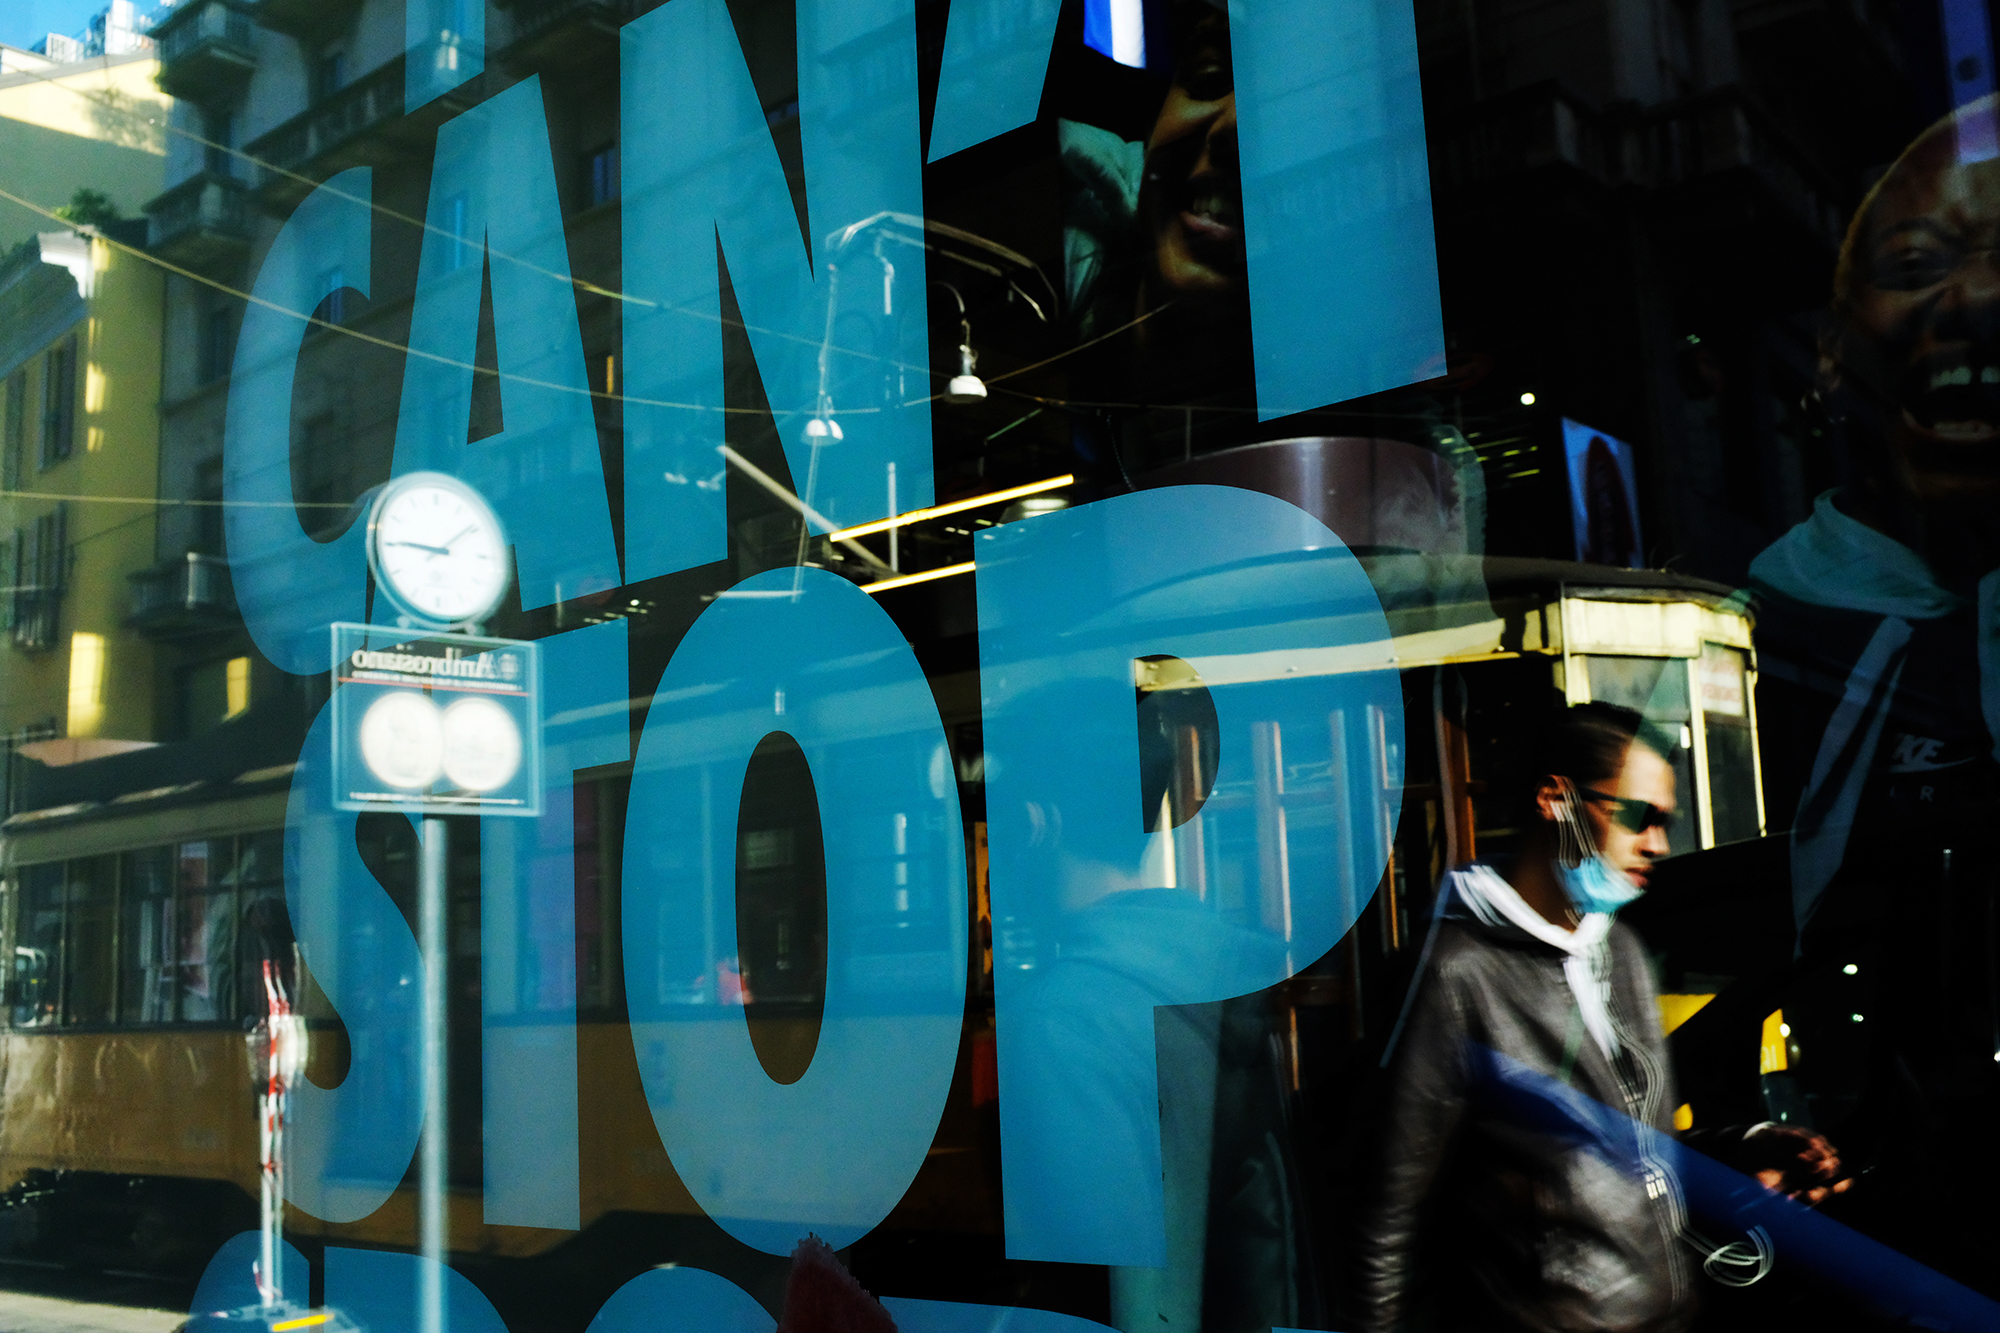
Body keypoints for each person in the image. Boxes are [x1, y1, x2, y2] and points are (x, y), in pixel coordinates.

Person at [1351, 703, 1845, 1333]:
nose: (1658, 844)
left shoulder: (1622, 952)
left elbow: (1622, 1154)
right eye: (1638, 817)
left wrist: (1739, 1151)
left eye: (1666, 822)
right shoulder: (1454, 976)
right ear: (1556, 800)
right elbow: (1383, 1225)